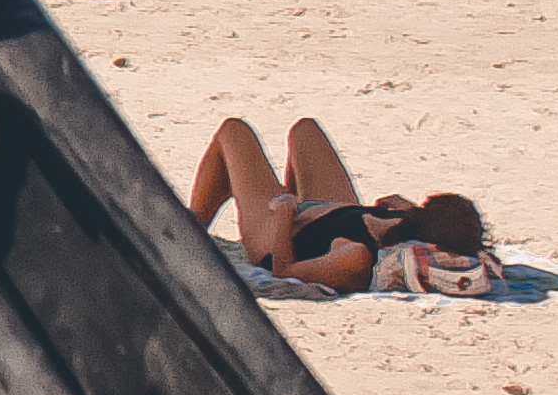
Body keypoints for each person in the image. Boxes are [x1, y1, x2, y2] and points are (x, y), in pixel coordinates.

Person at [188, 116, 496, 296]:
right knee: (305, 129)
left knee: (233, 132)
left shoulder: (357, 257)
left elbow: (284, 270)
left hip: (278, 240)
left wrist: (284, 214)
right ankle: (239, 190)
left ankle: (185, 230)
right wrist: (402, 208)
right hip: (330, 211)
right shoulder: (402, 221)